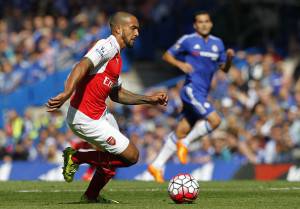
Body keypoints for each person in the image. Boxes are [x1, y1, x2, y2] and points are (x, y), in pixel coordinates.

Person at [46, 12, 168, 203]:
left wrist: (149, 99)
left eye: (138, 29)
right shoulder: (107, 45)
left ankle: (90, 197)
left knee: (112, 160)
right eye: (133, 28)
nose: (137, 33)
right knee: (131, 156)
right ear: (119, 29)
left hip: (100, 114)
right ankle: (76, 157)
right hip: (84, 118)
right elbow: (81, 65)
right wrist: (67, 92)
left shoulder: (117, 59)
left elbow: (116, 94)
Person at [147, 11, 234, 183]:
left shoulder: (218, 43)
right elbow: (167, 55)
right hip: (191, 90)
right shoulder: (188, 40)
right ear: (195, 25)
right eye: (200, 22)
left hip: (203, 92)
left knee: (181, 130)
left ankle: (156, 166)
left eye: (206, 21)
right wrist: (180, 64)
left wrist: (230, 58)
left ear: (211, 24)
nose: (203, 24)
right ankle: (185, 143)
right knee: (215, 121)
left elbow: (224, 69)